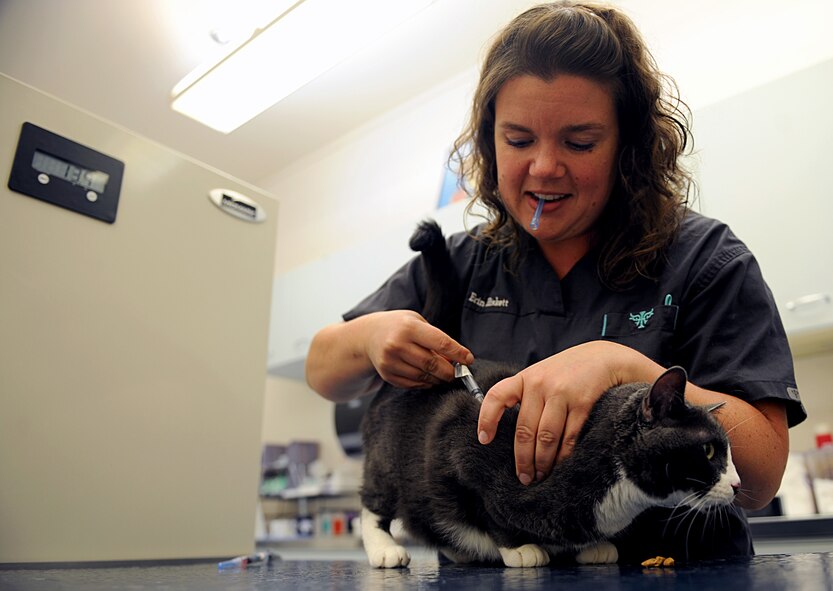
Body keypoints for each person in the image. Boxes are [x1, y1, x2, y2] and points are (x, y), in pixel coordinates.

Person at [305, 0, 806, 561]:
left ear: (628, 147)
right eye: (518, 140)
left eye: (580, 142)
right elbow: (324, 369)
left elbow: (760, 478)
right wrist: (371, 337)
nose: (544, 168)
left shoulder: (705, 260)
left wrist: (626, 367)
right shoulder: (462, 262)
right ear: (490, 142)